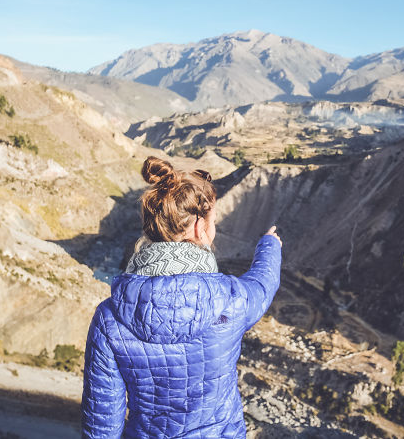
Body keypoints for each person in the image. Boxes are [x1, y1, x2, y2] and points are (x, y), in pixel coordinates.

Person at [81, 156, 282, 438]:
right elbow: (263, 284)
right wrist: (270, 246)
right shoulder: (232, 300)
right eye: (213, 221)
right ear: (200, 228)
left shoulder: (109, 318)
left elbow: (102, 423)